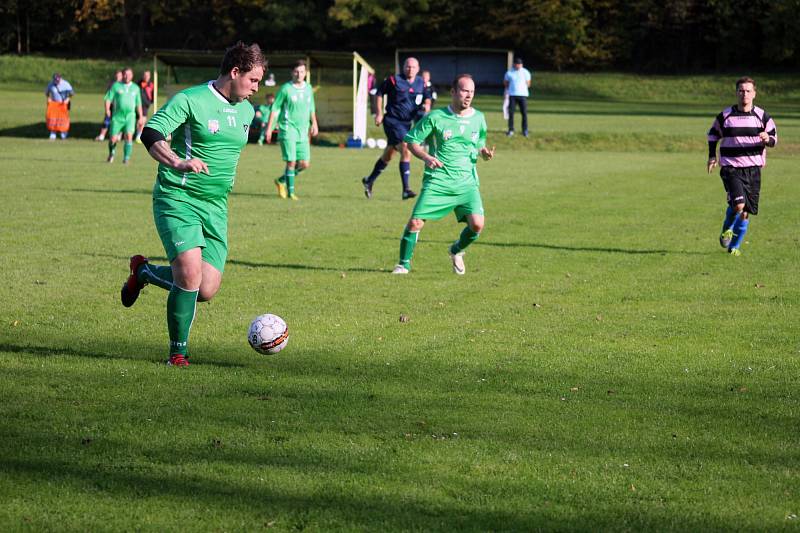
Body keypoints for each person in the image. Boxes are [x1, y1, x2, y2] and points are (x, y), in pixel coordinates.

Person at [120, 41, 264, 367]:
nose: (257, 88)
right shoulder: (191, 99)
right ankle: (178, 354)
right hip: (177, 197)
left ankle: (143, 272)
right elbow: (151, 133)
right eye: (253, 80)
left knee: (206, 288)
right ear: (235, 71)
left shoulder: (246, 110)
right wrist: (176, 162)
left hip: (216, 206)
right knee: (188, 275)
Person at [392, 74, 495, 275]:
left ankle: (456, 250)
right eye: (465, 90)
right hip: (438, 180)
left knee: (477, 225)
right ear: (453, 92)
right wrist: (426, 157)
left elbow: (479, 141)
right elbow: (411, 141)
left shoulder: (479, 118)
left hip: (467, 181)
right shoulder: (436, 117)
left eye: (472, 92)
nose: (469, 95)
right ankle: (403, 264)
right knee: (415, 222)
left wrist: (484, 152)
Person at [707, 76, 777, 256]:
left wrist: (767, 139)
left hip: (753, 169)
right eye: (741, 90)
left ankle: (734, 247)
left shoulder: (762, 116)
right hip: (731, 168)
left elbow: (774, 139)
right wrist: (711, 156)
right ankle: (727, 229)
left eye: (747, 91)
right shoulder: (726, 115)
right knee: (739, 205)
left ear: (754, 93)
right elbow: (713, 135)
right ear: (736, 93)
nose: (744, 94)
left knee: (746, 212)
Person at [361, 57, 432, 200]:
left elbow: (427, 98)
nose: (410, 69)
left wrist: (427, 110)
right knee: (406, 149)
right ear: (403, 67)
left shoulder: (421, 83)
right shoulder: (394, 80)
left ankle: (369, 180)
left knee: (389, 155)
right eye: (407, 66)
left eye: (413, 67)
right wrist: (379, 113)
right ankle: (406, 190)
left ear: (418, 69)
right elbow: (379, 93)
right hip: (392, 121)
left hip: (407, 124)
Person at [266, 59, 318, 200]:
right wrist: (269, 129)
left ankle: (281, 180)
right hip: (288, 129)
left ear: (306, 73)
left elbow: (311, 108)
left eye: (301, 71)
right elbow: (275, 109)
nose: (299, 74)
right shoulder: (285, 89)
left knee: (304, 164)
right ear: (292, 73)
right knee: (291, 162)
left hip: (303, 131)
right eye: (296, 71)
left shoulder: (308, 88)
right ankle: (291, 193)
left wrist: (314, 124)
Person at [104, 67, 143, 164]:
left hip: (130, 117)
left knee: (129, 136)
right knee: (113, 138)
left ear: (132, 76)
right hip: (117, 117)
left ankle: (126, 158)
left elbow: (138, 104)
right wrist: (107, 109)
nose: (127, 76)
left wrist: (141, 117)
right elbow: (108, 98)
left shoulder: (136, 88)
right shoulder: (116, 86)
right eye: (125, 74)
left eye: (129, 74)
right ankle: (111, 153)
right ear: (122, 75)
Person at [504, 57, 532, 137]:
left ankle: (525, 130)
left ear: (521, 65)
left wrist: (521, 88)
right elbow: (506, 83)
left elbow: (529, 84)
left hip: (523, 95)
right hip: (512, 95)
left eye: (520, 64)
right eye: (517, 64)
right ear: (514, 64)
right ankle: (511, 130)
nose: (518, 66)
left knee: (524, 113)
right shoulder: (509, 72)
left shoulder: (526, 72)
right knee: (511, 113)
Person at [44, 73, 74, 140]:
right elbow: (47, 93)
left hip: (63, 104)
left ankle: (63, 133)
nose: (56, 81)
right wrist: (48, 98)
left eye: (58, 80)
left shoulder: (66, 84)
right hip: (54, 105)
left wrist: (67, 99)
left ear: (60, 78)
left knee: (63, 119)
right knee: (54, 119)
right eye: (55, 80)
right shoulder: (50, 84)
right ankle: (53, 133)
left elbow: (72, 93)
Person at [96, 70, 122, 141]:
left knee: (120, 121)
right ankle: (102, 136)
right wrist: (107, 108)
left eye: (119, 75)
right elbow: (108, 97)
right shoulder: (112, 84)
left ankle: (119, 135)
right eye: (117, 75)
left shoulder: (123, 85)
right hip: (111, 106)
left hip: (120, 108)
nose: (118, 77)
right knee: (106, 120)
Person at [135, 70, 155, 143]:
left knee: (143, 119)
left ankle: (139, 134)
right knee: (140, 119)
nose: (146, 77)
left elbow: (153, 94)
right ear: (142, 76)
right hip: (138, 104)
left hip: (146, 104)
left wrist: (151, 101)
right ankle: (138, 134)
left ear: (150, 76)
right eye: (145, 75)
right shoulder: (138, 84)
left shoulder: (151, 84)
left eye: (148, 75)